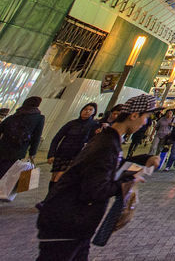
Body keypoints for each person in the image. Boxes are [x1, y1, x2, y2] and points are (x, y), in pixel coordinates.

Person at [35, 94, 160, 261]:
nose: (146, 123)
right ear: (134, 115)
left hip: (75, 223)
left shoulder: (110, 140)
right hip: (67, 222)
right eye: (146, 117)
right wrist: (129, 181)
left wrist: (144, 159)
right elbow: (95, 189)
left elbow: (114, 164)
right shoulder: (106, 145)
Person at [47, 103, 97, 183]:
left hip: (76, 155)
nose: (87, 111)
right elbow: (56, 138)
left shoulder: (94, 125)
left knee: (59, 178)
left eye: (90, 110)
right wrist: (51, 154)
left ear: (94, 112)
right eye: (85, 109)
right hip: (62, 153)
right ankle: (51, 194)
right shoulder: (71, 123)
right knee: (53, 178)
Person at [0, 96, 45, 181]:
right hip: (18, 150)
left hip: (3, 147)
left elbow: (1, 127)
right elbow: (36, 137)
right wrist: (32, 153)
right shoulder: (39, 118)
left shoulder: (15, 115)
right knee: (6, 172)